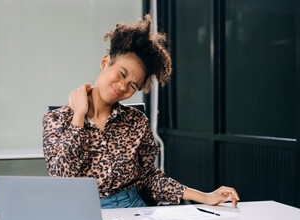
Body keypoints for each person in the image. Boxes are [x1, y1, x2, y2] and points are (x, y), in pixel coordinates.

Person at [42, 14, 239, 209]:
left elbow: (149, 177)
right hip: (83, 210)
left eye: (132, 85)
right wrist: (78, 116)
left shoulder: (136, 121)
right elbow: (62, 177)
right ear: (105, 62)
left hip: (132, 207)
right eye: (121, 73)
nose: (122, 86)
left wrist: (205, 197)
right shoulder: (57, 118)